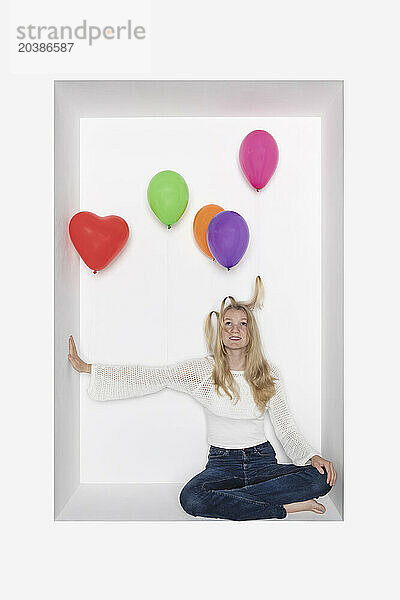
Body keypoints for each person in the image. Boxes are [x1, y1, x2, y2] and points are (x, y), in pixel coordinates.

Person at [68, 275, 336, 520]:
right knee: (192, 499)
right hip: (222, 465)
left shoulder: (268, 374)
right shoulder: (202, 372)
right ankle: (284, 507)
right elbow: (152, 376)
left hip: (262, 463)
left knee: (321, 479)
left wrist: (311, 456)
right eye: (228, 324)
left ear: (250, 332)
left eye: (242, 324)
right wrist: (89, 368)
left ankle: (245, 503)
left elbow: (286, 427)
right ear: (220, 333)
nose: (235, 329)